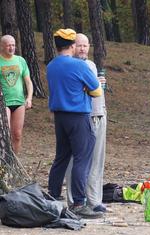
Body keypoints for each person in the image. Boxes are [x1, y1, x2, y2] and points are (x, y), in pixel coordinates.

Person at [47, 28, 103, 218]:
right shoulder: (80, 66)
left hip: (59, 116)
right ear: (72, 45)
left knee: (61, 157)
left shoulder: (51, 65)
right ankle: (79, 203)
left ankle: (53, 196)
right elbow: (97, 91)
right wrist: (86, 88)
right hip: (78, 116)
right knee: (82, 158)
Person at [65, 33, 108, 213]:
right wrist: (92, 85)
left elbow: (95, 89)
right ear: (73, 46)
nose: (82, 48)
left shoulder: (91, 64)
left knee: (97, 160)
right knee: (76, 160)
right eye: (79, 45)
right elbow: (73, 91)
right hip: (81, 117)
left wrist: (99, 84)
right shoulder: (69, 65)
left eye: (85, 45)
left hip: (99, 113)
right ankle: (74, 200)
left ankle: (94, 200)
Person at [0, 35, 33, 153]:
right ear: (2, 46)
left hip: (19, 101)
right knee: (5, 133)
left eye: (13, 45)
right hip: (4, 103)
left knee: (17, 134)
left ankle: (14, 162)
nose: (11, 47)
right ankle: (4, 162)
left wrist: (29, 98)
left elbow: (28, 82)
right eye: (9, 45)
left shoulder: (20, 60)